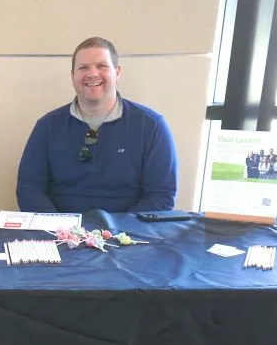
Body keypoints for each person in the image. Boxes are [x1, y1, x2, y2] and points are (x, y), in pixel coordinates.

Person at [16, 37, 178, 213]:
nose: (92, 74)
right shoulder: (47, 126)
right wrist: (61, 226)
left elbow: (161, 197)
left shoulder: (152, 126)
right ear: (72, 76)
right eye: (83, 67)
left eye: (102, 66)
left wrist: (117, 228)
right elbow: (28, 189)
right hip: (60, 227)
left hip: (127, 229)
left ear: (117, 72)